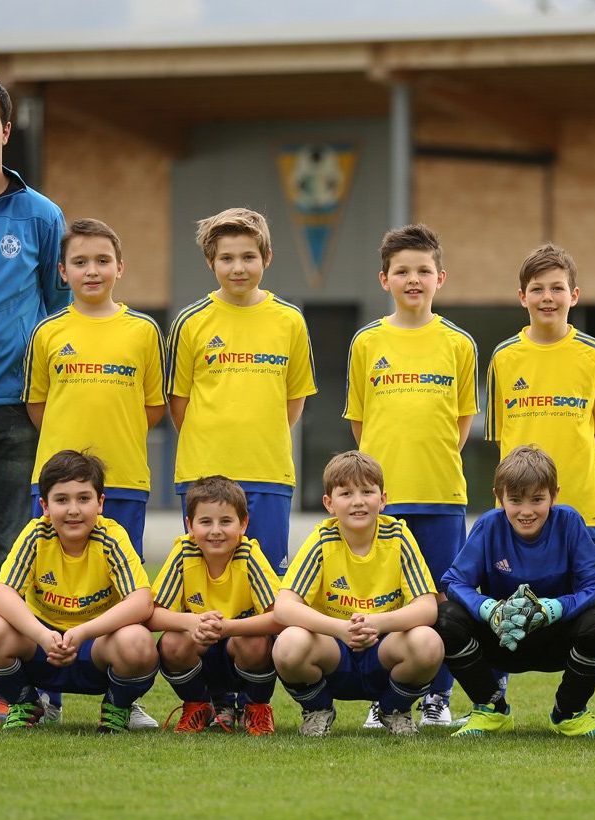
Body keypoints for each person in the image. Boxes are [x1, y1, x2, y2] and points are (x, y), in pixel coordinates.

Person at [485, 242, 595, 730]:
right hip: (516, 511)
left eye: (557, 288)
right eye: (538, 289)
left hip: (582, 506)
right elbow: (501, 437)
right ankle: (492, 699)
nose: (548, 297)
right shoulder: (504, 356)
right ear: (522, 296)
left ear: (575, 294)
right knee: (500, 601)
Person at [344, 223, 477, 727]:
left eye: (423, 270)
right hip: (382, 500)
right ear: (385, 279)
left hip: (441, 493)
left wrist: (432, 460)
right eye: (403, 271)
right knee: (390, 600)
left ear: (440, 277)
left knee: (441, 601)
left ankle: (437, 698)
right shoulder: (366, 341)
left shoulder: (459, 343)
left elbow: (461, 421)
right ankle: (387, 697)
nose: (413, 279)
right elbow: (361, 423)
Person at [167, 207, 316, 576]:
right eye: (227, 258)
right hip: (204, 474)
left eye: (249, 257)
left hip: (268, 472)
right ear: (210, 262)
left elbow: (294, 399)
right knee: (203, 586)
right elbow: (179, 403)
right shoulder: (190, 321)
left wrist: (259, 435)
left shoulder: (290, 320)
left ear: (266, 257)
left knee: (267, 587)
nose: (238, 267)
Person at [436, 446, 595, 738]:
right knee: (445, 617)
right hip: (503, 637)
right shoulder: (488, 525)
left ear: (554, 495)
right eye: (515, 500)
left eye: (537, 499)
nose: (526, 511)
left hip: (557, 636)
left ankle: (568, 713)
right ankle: (491, 709)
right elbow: (454, 582)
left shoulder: (569, 522)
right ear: (499, 496)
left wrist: (552, 609)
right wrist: (490, 609)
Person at [23, 218, 166, 559]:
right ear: (62, 271)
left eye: (102, 261)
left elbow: (154, 406)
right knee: (51, 579)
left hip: (124, 478)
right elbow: (38, 406)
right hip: (57, 481)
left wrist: (118, 430)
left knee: (122, 581)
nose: (91, 271)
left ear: (120, 268)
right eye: (80, 262)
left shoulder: (144, 331)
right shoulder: (47, 332)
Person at [273, 450, 442, 737]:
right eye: (346, 493)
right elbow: (284, 607)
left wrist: (377, 623)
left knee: (428, 643)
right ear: (329, 503)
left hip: (383, 650)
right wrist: (340, 628)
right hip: (335, 652)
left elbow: (427, 607)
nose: (358, 501)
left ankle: (394, 709)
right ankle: (318, 708)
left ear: (383, 499)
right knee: (289, 644)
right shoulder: (322, 539)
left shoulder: (397, 536)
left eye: (367, 491)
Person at [0, 450, 157, 732]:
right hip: (44, 647)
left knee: (137, 641)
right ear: (45, 506)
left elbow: (141, 601)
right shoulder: (36, 535)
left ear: (100, 503)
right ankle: (25, 701)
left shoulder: (111, 537)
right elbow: (1, 594)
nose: (74, 509)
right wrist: (42, 635)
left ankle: (117, 707)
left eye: (84, 498)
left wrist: (84, 632)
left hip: (96, 648)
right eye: (62, 500)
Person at [0, 78, 68, 618]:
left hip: (15, 409)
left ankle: (3, 684)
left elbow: (61, 312)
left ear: (6, 131)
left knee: (7, 551)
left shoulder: (40, 216)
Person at [149, 475, 281, 735]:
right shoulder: (184, 553)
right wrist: (192, 622)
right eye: (205, 521)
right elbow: (151, 614)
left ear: (243, 524)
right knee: (171, 642)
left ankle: (256, 707)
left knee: (255, 641)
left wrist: (229, 627)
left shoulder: (249, 555)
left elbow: (279, 616)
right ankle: (199, 704)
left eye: (226, 521)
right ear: (190, 525)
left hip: (238, 647)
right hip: (201, 646)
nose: (216, 530)